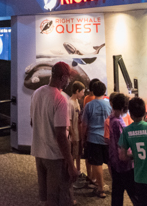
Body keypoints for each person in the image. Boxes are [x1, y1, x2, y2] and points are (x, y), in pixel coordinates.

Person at [30, 61, 77, 206]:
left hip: (39, 153)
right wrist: (71, 164)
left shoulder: (37, 93)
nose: (68, 81)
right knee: (59, 197)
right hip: (55, 157)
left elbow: (32, 122)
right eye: (68, 77)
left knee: (47, 199)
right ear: (63, 78)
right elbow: (61, 135)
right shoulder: (61, 99)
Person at [118, 96, 147, 206]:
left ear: (130, 113)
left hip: (140, 177)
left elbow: (122, 156)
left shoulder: (127, 131)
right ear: (145, 111)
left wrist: (133, 155)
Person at [81, 80, 112, 198]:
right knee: (110, 163)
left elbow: (84, 124)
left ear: (93, 91)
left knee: (97, 164)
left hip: (93, 138)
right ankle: (117, 186)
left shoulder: (89, 105)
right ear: (104, 91)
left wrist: (83, 138)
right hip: (107, 138)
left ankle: (101, 189)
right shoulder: (109, 105)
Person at [107, 93, 138, 206]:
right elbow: (123, 144)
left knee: (117, 193)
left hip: (115, 162)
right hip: (124, 165)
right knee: (135, 193)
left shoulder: (112, 118)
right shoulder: (118, 122)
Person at [68, 81, 87, 189]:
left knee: (78, 153)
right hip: (74, 134)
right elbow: (69, 121)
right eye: (82, 92)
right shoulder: (69, 103)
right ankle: (72, 174)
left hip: (78, 134)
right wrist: (72, 135)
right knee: (73, 155)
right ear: (77, 91)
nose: (83, 94)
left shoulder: (77, 102)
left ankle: (78, 171)